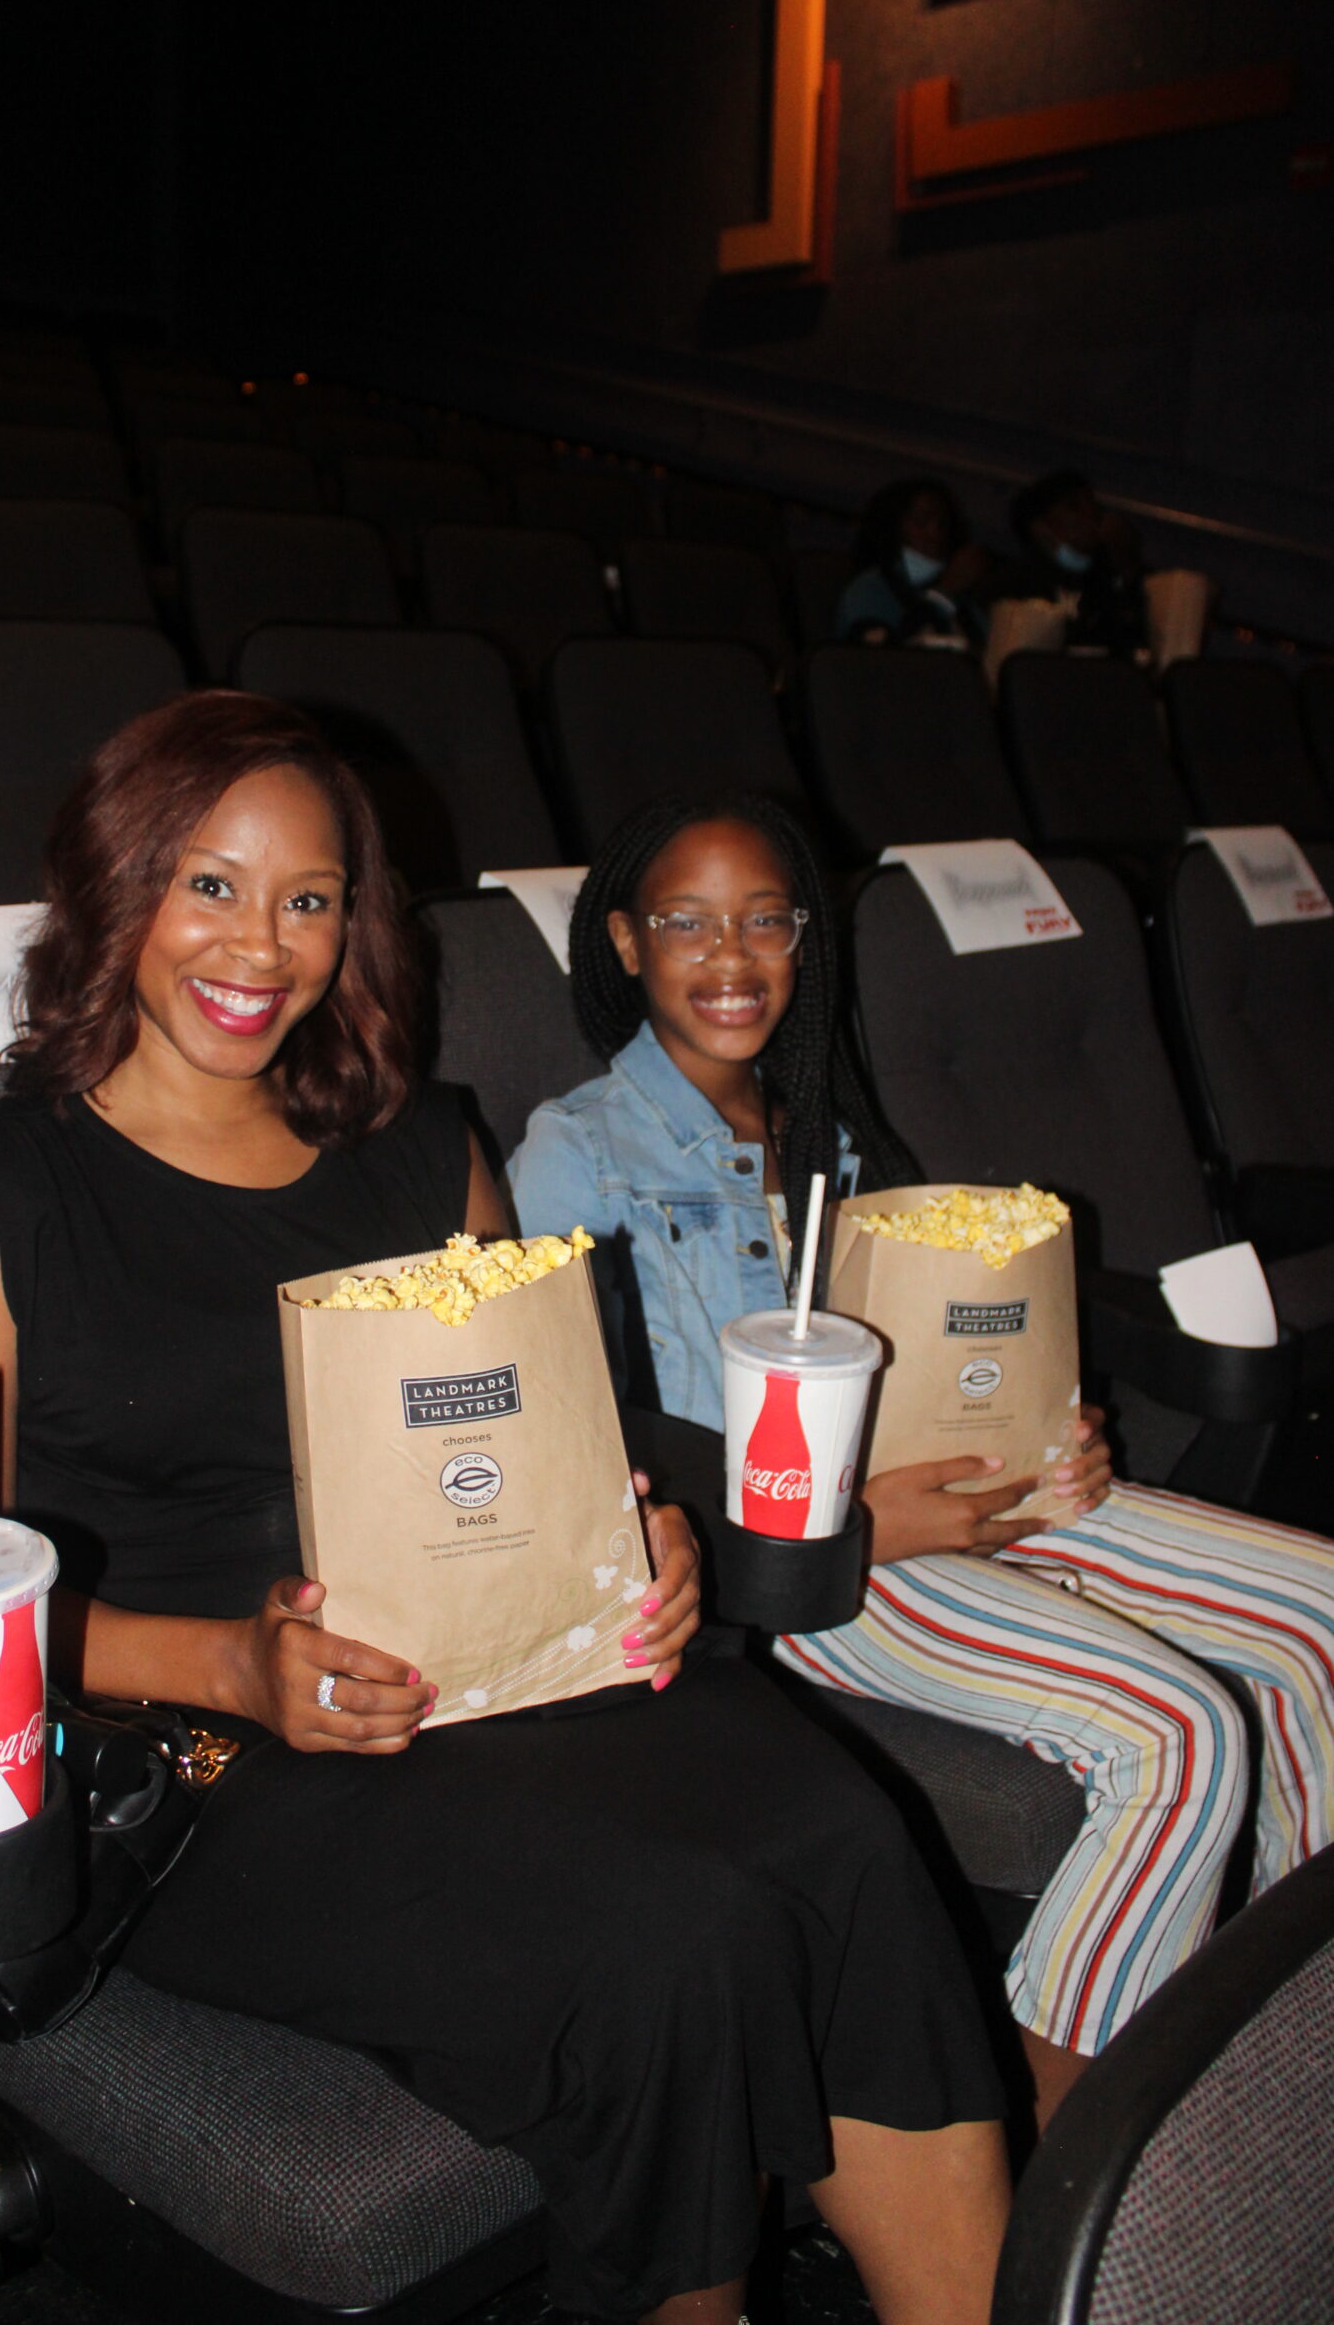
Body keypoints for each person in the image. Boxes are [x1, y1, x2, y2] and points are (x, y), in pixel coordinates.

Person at [0, 691, 1010, 2325]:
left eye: (309, 899)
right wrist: (235, 1670)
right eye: (209, 883)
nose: (261, 942)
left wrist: (639, 1549)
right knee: (675, 1935)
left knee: (844, 1838)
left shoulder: (420, 1156)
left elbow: (545, 1463)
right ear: (113, 887)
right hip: (204, 1764)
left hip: (502, 1679)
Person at [510, 791, 1334, 2131]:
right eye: (686, 922)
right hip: (786, 1572)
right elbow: (581, 1466)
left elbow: (934, 1354)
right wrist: (861, 1525)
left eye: (765, 919)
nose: (732, 956)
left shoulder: (824, 1136)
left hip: (934, 1504)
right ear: (621, 943)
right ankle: (1062, 2158)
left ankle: (1279, 2068)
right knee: (1177, 1733)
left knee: (1320, 1616)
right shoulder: (571, 1156)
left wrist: (1037, 1429)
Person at [997, 469, 1147, 656]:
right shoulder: (1016, 581)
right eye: (1073, 507)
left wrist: (1126, 564)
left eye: (1092, 504)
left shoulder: (1106, 576)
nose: (1091, 514)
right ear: (1040, 527)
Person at [834, 480, 989, 649]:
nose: (934, 532)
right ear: (892, 526)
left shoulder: (964, 600)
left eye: (942, 524)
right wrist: (944, 593)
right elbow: (889, 656)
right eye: (921, 521)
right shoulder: (869, 589)